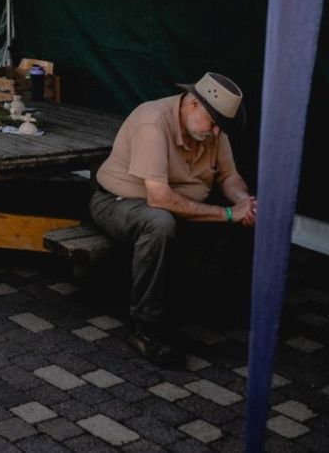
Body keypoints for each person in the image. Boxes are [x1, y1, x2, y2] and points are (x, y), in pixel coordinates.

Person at [89, 72, 257, 366]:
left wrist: (245, 203)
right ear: (193, 104)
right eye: (213, 123)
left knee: (246, 215)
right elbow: (159, 198)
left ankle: (224, 305)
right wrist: (229, 214)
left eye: (220, 126)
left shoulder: (213, 128)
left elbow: (229, 176)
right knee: (159, 223)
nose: (217, 132)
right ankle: (145, 327)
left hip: (177, 203)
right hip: (120, 202)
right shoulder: (152, 122)